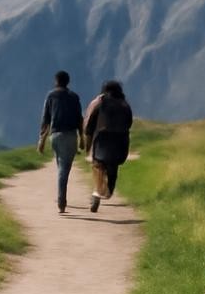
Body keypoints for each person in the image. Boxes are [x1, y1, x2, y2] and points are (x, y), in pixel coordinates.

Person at [37, 70, 85, 213]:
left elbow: (45, 119)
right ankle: (61, 200)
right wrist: (82, 138)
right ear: (68, 82)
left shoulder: (50, 96)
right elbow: (79, 119)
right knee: (64, 168)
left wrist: (41, 140)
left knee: (60, 166)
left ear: (56, 81)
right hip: (70, 136)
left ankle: (61, 197)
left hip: (55, 136)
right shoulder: (74, 97)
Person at [84, 79, 133, 213]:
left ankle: (96, 192)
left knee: (98, 166)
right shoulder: (124, 105)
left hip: (102, 140)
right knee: (113, 168)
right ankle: (109, 190)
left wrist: (87, 143)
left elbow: (90, 124)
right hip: (119, 141)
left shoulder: (101, 103)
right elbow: (129, 123)